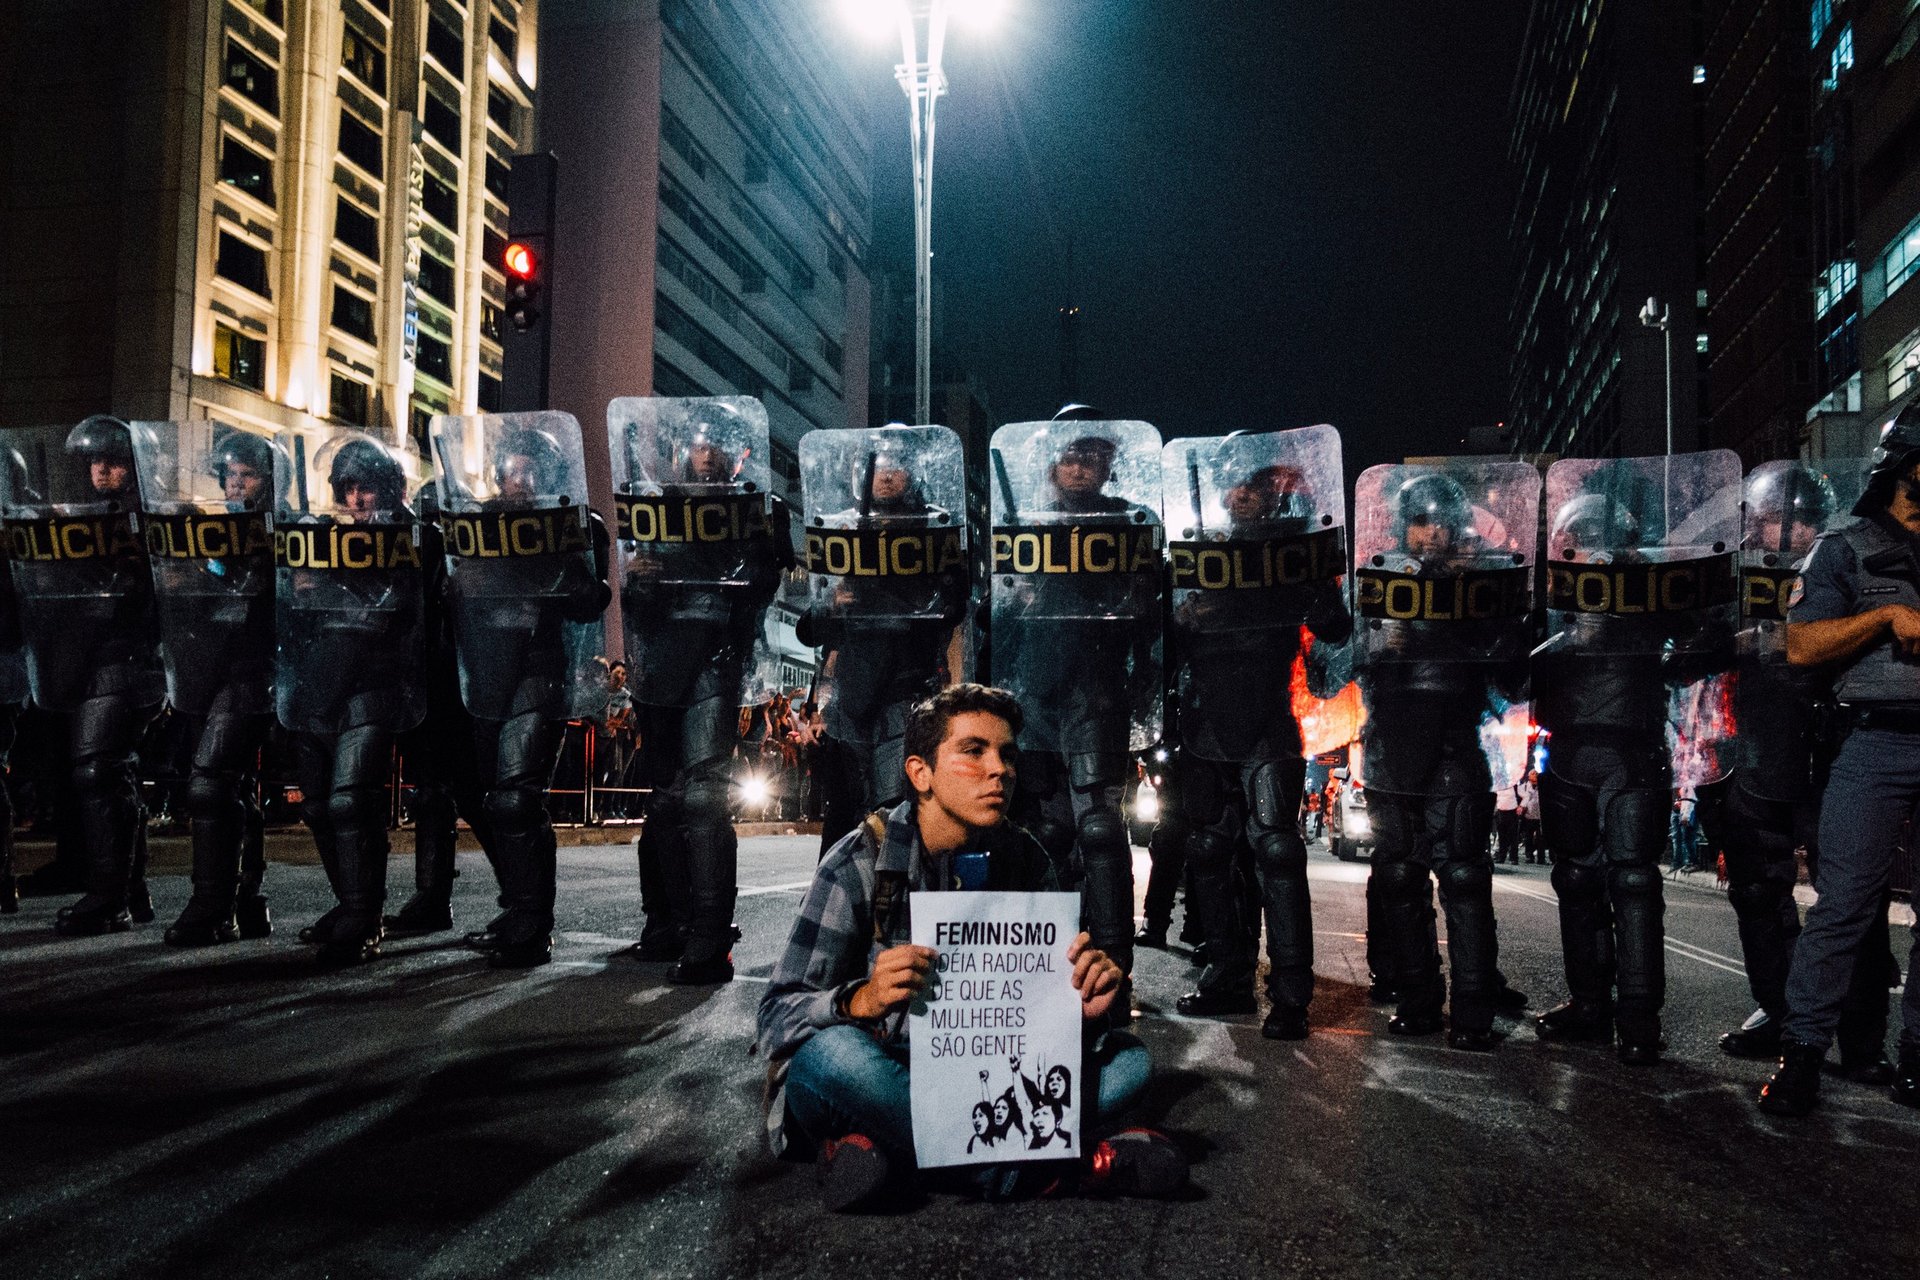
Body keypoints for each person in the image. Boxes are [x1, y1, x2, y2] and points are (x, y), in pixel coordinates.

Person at [756, 683, 1186, 1211]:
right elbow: (775, 1016)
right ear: (921, 774)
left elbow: (1042, 1023)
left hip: (985, 1079)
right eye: (973, 751)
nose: (999, 770)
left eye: (1007, 754)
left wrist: (1087, 1007)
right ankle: (1057, 1170)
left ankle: (880, 1154)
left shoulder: (1029, 861)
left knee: (1129, 1063)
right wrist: (858, 1000)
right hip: (887, 1065)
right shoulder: (858, 862)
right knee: (829, 1061)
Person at [1533, 455, 1738, 1066]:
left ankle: (1634, 1015)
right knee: (1591, 880)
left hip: (1624, 748)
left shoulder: (1650, 593)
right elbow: (1513, 668)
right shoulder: (1553, 600)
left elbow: (1713, 629)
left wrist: (1669, 654)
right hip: (1579, 746)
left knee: (1627, 881)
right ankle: (1601, 1007)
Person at [1698, 459, 1895, 1075]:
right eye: (1769, 521)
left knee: (1851, 899)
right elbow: (1691, 649)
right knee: (1759, 893)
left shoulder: (1846, 565)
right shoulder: (1730, 579)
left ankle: (1862, 1039)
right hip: (1754, 749)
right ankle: (1779, 1013)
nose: (1778, 532)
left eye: (1792, 521)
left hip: (1830, 751)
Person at [1760, 410, 1920, 1114]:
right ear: (1908, 465)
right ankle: (1802, 1058)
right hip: (1876, 738)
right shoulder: (1847, 547)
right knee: (1846, 906)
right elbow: (1802, 645)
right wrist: (1883, 619)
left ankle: (1915, 1058)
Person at [1169, 436, 1351, 1040]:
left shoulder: (1291, 549)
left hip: (1270, 715)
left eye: (1254, 484)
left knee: (1277, 850)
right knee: (1210, 851)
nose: (1242, 494)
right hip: (1206, 715)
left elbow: (1335, 625)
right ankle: (1228, 975)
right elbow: (1158, 634)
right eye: (1234, 484)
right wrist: (1183, 617)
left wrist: (1310, 583)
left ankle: (1292, 991)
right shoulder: (1194, 549)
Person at [1351, 468, 1531, 1051]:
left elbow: (1515, 672)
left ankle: (1474, 1006)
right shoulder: (1377, 578)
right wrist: (1378, 644)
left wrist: (1483, 628)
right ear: (1405, 528)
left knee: (1463, 875)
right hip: (1392, 742)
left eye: (1440, 522)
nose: (1430, 534)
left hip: (1455, 739)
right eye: (1420, 522)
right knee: (1401, 876)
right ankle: (1420, 998)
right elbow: (1339, 658)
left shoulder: (1483, 583)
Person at [617, 399, 790, 983]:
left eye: (718, 442)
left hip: (715, 654)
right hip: (661, 662)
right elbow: (636, 596)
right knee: (665, 800)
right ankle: (669, 920)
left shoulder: (756, 510)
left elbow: (765, 584)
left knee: (702, 797)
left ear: (738, 451)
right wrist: (640, 581)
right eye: (698, 442)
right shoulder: (656, 506)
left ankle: (710, 932)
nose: (707, 452)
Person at [435, 420, 611, 969]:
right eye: (513, 465)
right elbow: (449, 593)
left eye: (532, 466)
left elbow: (589, 600)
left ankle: (533, 922)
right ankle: (518, 907)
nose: (520, 475)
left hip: (539, 664)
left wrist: (569, 572)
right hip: (484, 669)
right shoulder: (473, 523)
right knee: (490, 797)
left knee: (516, 794)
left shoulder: (572, 525)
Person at [993, 412, 1163, 981]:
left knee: (1099, 828)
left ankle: (1113, 969)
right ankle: (1046, 966)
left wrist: (1144, 679)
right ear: (1052, 463)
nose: (1080, 466)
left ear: (1109, 464)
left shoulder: (1127, 522)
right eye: (1070, 456)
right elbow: (995, 615)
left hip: (1097, 684)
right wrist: (1011, 600)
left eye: (1091, 457)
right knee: (1046, 832)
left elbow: (1147, 614)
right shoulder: (1023, 523)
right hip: (1034, 688)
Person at [6, 418, 168, 936]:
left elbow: (195, 574)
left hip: (131, 657)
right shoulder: (78, 519)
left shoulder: (151, 516)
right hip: (88, 658)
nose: (102, 471)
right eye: (94, 462)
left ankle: (110, 896)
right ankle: (129, 890)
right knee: (108, 772)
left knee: (99, 768)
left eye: (113, 461)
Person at [278, 432, 428, 964]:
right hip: (322, 681)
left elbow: (408, 607)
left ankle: (364, 913)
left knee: (349, 799)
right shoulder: (317, 536)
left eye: (366, 488)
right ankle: (349, 902)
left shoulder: (409, 536)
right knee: (318, 804)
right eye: (347, 489)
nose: (356, 500)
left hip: (377, 682)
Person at [141, 426, 277, 946]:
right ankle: (244, 900)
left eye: (248, 475)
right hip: (211, 668)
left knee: (211, 780)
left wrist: (204, 576)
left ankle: (213, 905)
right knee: (228, 785)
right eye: (231, 475)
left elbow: (254, 594)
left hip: (252, 668)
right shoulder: (217, 530)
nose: (237, 484)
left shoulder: (276, 529)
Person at [797, 429, 966, 849]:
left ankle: (894, 908)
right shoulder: (844, 531)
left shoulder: (934, 531)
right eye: (879, 467)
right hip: (851, 697)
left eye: (897, 467)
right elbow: (809, 629)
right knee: (846, 812)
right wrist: (833, 604)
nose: (887, 476)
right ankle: (835, 905)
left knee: (893, 810)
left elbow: (955, 604)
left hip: (906, 688)